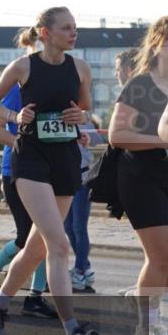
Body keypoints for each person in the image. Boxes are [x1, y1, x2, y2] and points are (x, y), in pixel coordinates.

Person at [0, 6, 101, 335]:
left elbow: (85, 107)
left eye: (75, 28)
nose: (73, 33)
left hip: (65, 159)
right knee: (59, 244)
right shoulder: (23, 67)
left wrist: (80, 116)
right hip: (30, 158)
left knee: (37, 248)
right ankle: (73, 331)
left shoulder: (81, 68)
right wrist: (14, 116)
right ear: (45, 33)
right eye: (66, 28)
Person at [108, 16, 168, 335]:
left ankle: (141, 296)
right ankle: (146, 330)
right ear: (157, 44)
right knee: (161, 257)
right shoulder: (141, 85)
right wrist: (164, 142)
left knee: (164, 263)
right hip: (141, 177)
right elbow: (117, 135)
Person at [0, 81, 58, 319]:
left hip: (49, 170)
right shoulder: (19, 88)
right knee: (28, 237)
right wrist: (26, 146)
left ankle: (34, 298)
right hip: (16, 171)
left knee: (43, 236)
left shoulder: (61, 84)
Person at [65, 115, 103, 293]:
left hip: (82, 179)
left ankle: (80, 271)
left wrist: (83, 123)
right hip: (65, 180)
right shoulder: (58, 121)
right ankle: (85, 268)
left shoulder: (82, 120)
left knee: (79, 227)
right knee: (68, 227)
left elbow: (98, 140)